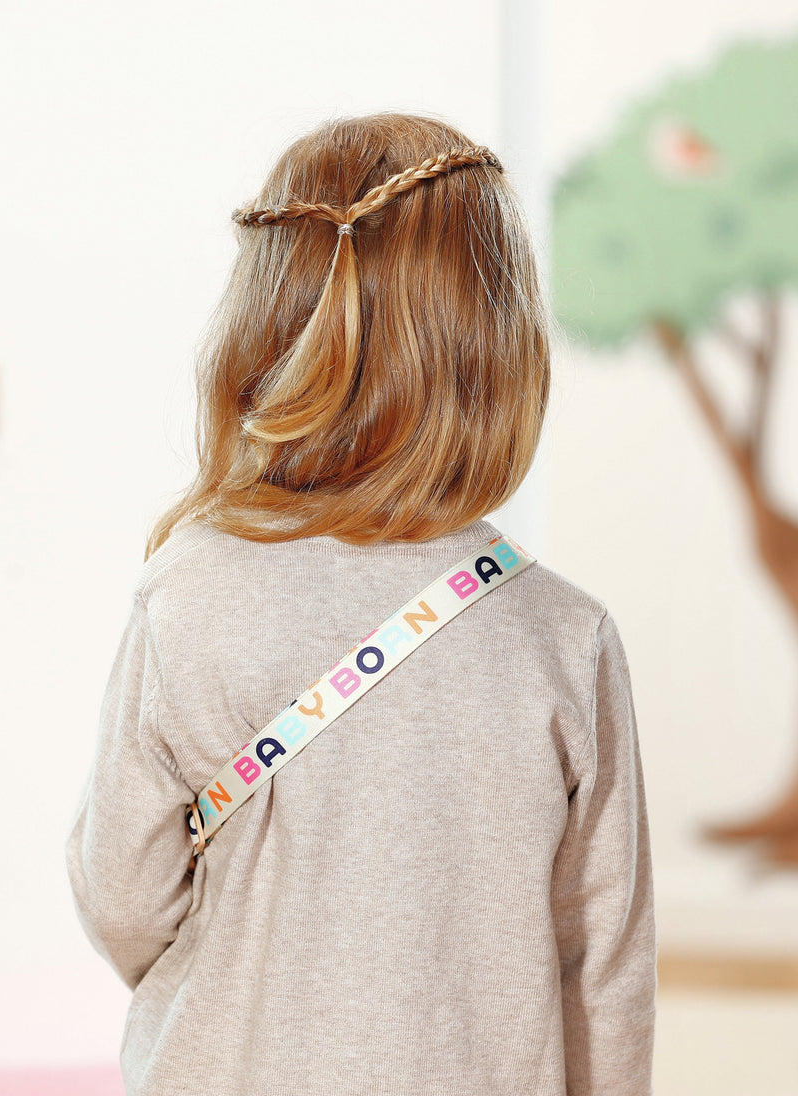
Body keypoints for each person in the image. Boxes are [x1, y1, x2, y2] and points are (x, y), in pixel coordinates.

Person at [65, 112, 655, 1096]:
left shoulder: (190, 590)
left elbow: (122, 898)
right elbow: (606, 974)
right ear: (499, 351)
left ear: (260, 328)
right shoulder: (566, 637)